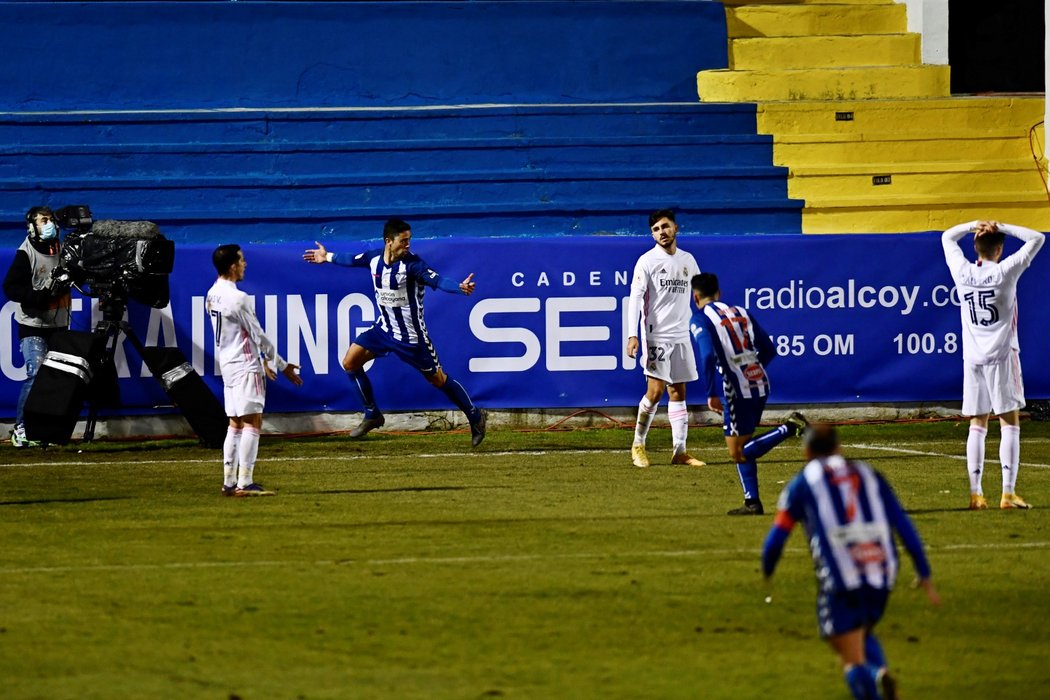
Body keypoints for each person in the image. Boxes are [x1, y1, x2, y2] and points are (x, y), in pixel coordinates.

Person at [762, 424, 941, 700]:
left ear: (806, 451)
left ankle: (874, 676)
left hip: (841, 577)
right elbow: (902, 524)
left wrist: (768, 569)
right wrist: (924, 571)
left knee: (846, 652)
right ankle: (878, 674)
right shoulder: (870, 475)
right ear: (839, 447)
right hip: (882, 572)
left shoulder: (803, 482)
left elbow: (776, 537)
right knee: (861, 633)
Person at [302, 218, 486, 445]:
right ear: (389, 241)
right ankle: (372, 414)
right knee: (350, 362)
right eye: (403, 241)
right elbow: (350, 259)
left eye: (409, 240)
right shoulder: (373, 259)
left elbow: (438, 280)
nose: (408, 245)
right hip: (384, 329)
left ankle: (475, 415)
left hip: (411, 338)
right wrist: (326, 257)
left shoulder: (413, 265)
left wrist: (458, 287)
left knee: (438, 380)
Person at [941, 219, 1044, 510]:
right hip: (1002, 356)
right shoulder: (1004, 272)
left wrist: (975, 223)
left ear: (975, 247)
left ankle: (976, 494)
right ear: (998, 250)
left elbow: (948, 237)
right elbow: (1037, 238)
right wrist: (1002, 226)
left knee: (977, 424)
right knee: (1009, 422)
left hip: (973, 359)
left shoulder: (962, 272)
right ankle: (1007, 493)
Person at [690, 272, 807, 515]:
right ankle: (752, 502)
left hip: (735, 389)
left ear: (696, 297)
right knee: (744, 443)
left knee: (738, 451)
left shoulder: (700, 319)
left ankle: (789, 427)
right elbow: (768, 349)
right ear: (719, 293)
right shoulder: (741, 312)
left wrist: (711, 392)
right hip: (759, 382)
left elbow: (708, 355)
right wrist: (751, 368)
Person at [207, 244, 303, 497]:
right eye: (242, 260)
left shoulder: (212, 294)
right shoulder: (238, 298)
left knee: (235, 423)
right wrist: (281, 365)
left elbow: (240, 334)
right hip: (245, 364)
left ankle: (229, 481)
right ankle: (245, 483)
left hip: (227, 363)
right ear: (232, 266)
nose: (245, 264)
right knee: (252, 421)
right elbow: (258, 335)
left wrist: (262, 360)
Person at [625, 209, 705, 469]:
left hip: (681, 335)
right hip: (656, 336)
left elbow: (699, 294)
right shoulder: (647, 261)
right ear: (652, 234)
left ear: (676, 228)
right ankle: (638, 444)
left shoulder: (688, 260)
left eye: (665, 227)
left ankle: (679, 451)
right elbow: (635, 298)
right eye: (656, 229)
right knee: (656, 390)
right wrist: (632, 335)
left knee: (678, 391)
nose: (661, 232)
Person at [2, 206, 72, 447]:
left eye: (50, 219)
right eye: (44, 220)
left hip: (59, 323)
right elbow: (11, 287)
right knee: (35, 375)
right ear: (32, 226)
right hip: (33, 324)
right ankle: (21, 428)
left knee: (56, 379)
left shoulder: (63, 249)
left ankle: (47, 429)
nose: (49, 223)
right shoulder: (26, 253)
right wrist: (37, 296)